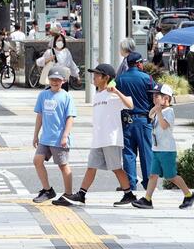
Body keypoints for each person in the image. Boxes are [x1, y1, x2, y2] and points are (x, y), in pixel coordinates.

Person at [58, 64, 136, 207]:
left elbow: (130, 105)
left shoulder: (112, 94)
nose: (93, 77)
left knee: (116, 168)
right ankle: (81, 194)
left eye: (96, 75)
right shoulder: (97, 95)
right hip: (98, 138)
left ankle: (129, 194)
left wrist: (117, 91)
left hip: (111, 138)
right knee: (91, 166)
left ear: (106, 78)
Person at [132, 84, 194, 209]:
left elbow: (164, 125)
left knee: (171, 176)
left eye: (157, 96)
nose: (154, 98)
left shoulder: (169, 112)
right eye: (153, 95)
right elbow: (150, 115)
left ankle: (189, 194)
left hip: (167, 150)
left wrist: (159, 112)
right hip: (157, 149)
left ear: (166, 99)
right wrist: (155, 109)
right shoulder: (158, 111)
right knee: (152, 175)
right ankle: (147, 199)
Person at [32, 66, 77, 204]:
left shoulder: (66, 96)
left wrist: (65, 136)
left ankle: (68, 194)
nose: (54, 82)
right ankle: (47, 190)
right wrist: (35, 135)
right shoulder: (43, 95)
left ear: (63, 81)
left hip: (59, 138)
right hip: (46, 137)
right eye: (52, 79)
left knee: (63, 165)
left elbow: (70, 118)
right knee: (37, 161)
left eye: (58, 80)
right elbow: (40, 115)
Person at [116, 52, 155, 193]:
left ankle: (130, 184)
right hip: (144, 120)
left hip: (126, 121)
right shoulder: (147, 79)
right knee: (146, 153)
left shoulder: (119, 79)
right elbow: (154, 98)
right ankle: (148, 184)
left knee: (128, 153)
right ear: (138, 63)